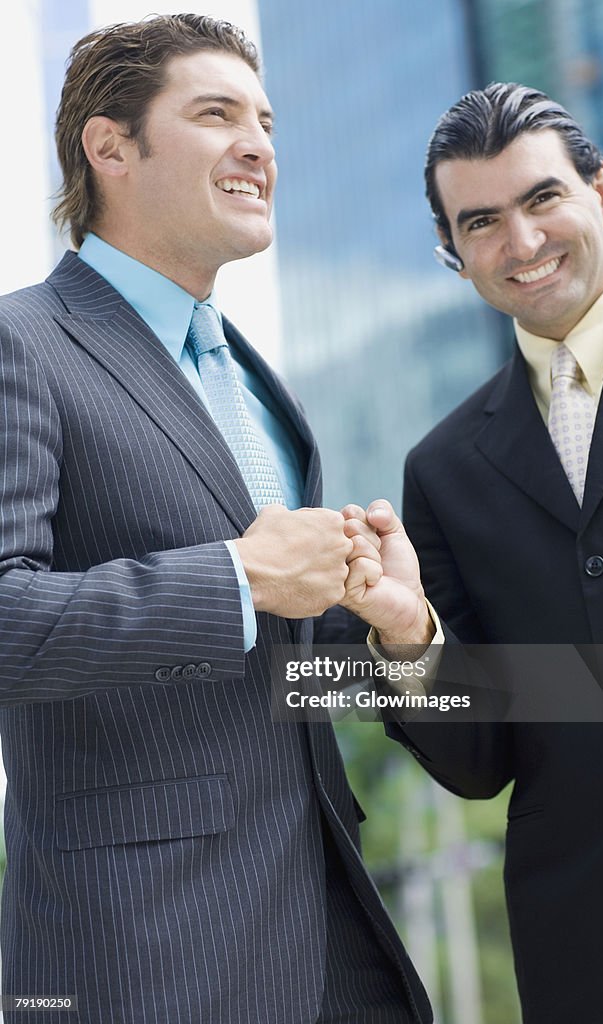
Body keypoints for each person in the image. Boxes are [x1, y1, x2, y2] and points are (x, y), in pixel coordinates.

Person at [0, 15, 433, 1024]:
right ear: (110, 147)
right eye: (215, 114)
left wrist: (396, 632)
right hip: (141, 956)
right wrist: (234, 580)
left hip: (331, 941)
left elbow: (283, 670)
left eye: (266, 121)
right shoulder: (22, 346)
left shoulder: (259, 388)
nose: (259, 146)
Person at [349, 82, 603, 1024]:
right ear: (452, 257)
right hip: (591, 961)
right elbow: (477, 758)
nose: (521, 242)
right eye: (482, 222)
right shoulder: (443, 471)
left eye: (541, 199)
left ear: (602, 191)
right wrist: (409, 638)